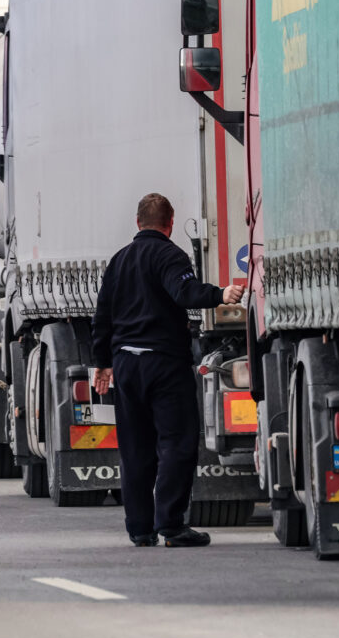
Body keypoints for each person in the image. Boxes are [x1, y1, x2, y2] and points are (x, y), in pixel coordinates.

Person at [91, 193, 245, 547]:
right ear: (170, 223)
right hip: (164, 366)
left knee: (134, 448)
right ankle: (171, 525)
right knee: (176, 443)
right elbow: (184, 292)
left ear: (137, 222)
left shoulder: (119, 261)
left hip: (127, 365)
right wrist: (221, 294)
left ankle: (140, 529)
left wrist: (102, 363)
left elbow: (102, 316)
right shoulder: (170, 255)